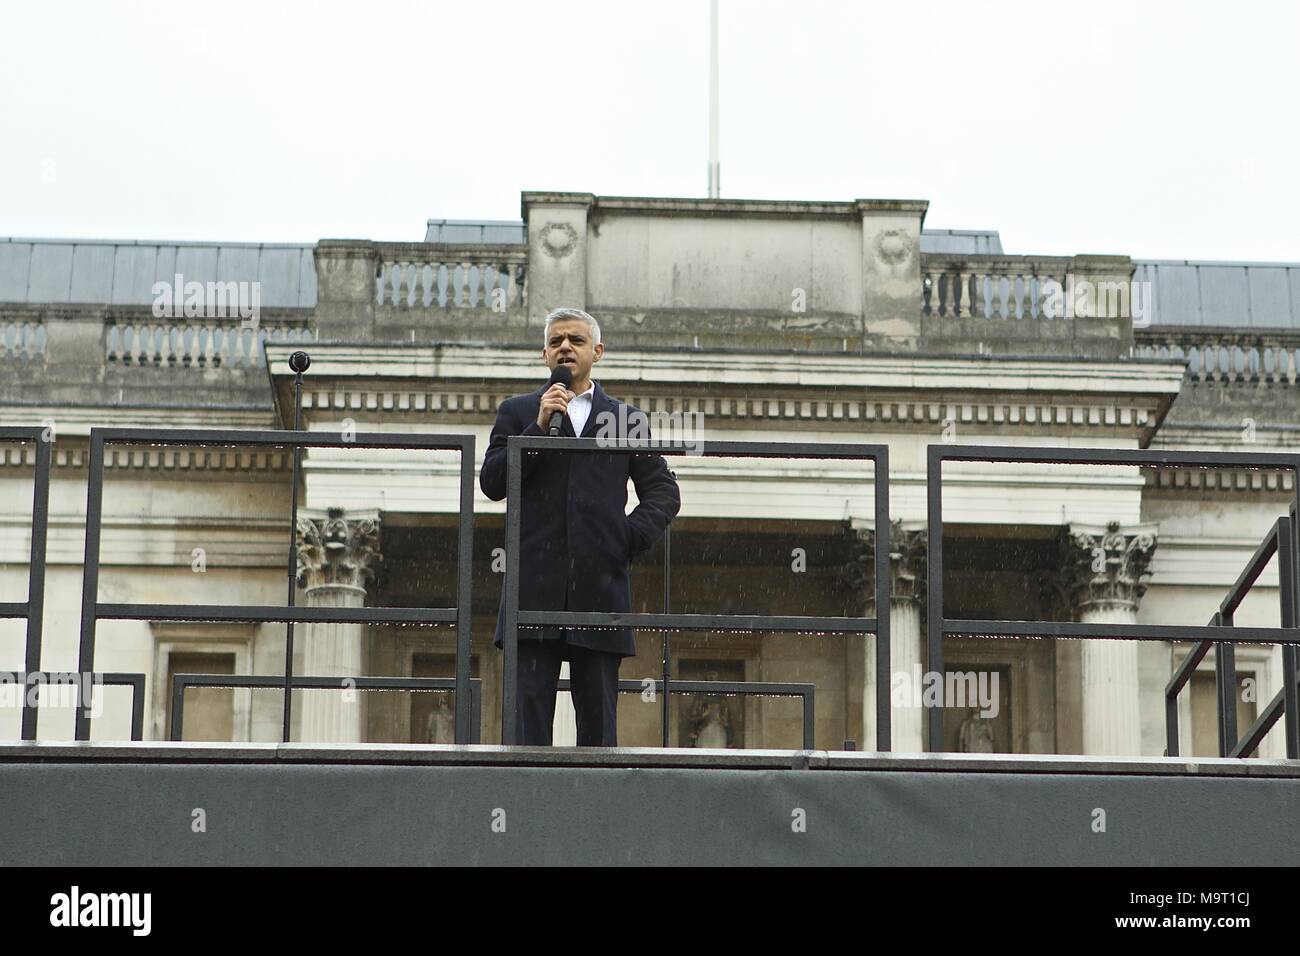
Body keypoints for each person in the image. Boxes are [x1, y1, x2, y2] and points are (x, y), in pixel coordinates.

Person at [480, 307, 680, 746]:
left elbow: (663, 492)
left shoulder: (623, 420)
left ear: (598, 352)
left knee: (599, 740)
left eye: (576, 340)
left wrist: (623, 540)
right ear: (544, 354)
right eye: (556, 342)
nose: (565, 347)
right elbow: (492, 483)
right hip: (531, 596)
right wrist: (537, 428)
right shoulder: (518, 413)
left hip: (600, 594)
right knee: (525, 739)